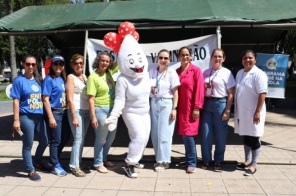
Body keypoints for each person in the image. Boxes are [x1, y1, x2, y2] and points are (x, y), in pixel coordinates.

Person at [11, 55, 48, 181]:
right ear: (23, 64)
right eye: (28, 64)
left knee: (44, 141)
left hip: (39, 116)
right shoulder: (19, 81)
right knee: (28, 144)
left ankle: (37, 161)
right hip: (26, 116)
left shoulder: (38, 80)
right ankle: (30, 170)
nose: (31, 66)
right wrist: (16, 120)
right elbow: (16, 101)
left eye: (33, 64)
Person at [199, 48, 235, 172]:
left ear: (223, 59)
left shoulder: (227, 73)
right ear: (211, 58)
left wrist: (227, 110)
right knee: (206, 134)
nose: (217, 59)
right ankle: (206, 159)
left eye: (220, 56)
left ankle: (218, 160)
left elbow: (231, 93)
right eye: (215, 56)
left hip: (221, 104)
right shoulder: (205, 72)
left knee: (220, 135)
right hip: (207, 104)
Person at [234, 50, 268, 176]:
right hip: (243, 112)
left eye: (250, 58)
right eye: (245, 58)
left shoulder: (259, 74)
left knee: (254, 137)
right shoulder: (240, 73)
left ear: (255, 60)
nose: (247, 60)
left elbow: (262, 93)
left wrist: (257, 111)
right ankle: (247, 160)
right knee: (246, 136)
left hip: (254, 112)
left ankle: (254, 164)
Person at [87, 52, 118, 174]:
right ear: (98, 61)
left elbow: (121, 61)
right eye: (103, 60)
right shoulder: (93, 77)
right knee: (101, 139)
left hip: (112, 110)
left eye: (107, 61)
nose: (105, 63)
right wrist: (93, 116)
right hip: (100, 110)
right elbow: (91, 98)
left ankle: (104, 159)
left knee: (110, 137)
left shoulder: (108, 72)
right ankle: (98, 163)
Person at [149, 49, 180, 172]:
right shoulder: (151, 71)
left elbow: (176, 92)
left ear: (169, 60)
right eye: (161, 58)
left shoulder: (172, 73)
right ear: (157, 59)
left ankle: (165, 161)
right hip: (154, 103)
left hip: (166, 103)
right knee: (155, 134)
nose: (163, 60)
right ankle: (158, 159)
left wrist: (174, 108)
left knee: (164, 134)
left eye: (166, 58)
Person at [175, 47, 204, 174]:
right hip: (181, 109)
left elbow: (199, 90)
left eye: (187, 55)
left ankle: (192, 162)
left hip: (191, 108)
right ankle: (188, 160)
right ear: (178, 57)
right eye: (182, 55)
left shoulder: (196, 71)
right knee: (184, 135)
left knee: (188, 135)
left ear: (191, 56)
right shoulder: (176, 71)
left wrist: (197, 107)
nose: (185, 57)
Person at [42, 55, 70, 177]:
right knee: (55, 140)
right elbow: (45, 99)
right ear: (52, 66)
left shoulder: (62, 78)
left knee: (65, 137)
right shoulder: (49, 79)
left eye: (61, 64)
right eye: (56, 64)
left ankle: (53, 159)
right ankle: (54, 164)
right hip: (55, 112)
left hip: (64, 112)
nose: (58, 66)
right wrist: (51, 117)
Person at [66, 54, 90, 177]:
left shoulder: (84, 77)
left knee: (82, 138)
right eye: (76, 63)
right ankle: (73, 166)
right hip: (77, 111)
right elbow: (69, 99)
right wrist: (74, 116)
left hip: (85, 111)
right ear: (72, 65)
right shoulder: (71, 77)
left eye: (81, 63)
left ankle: (78, 161)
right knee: (78, 139)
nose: (79, 65)